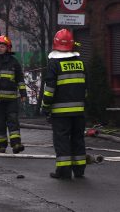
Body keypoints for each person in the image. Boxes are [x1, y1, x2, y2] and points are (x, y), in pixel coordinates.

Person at [41, 29, 87, 179]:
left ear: (56, 44)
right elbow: (86, 88)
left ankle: (64, 171)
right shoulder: (80, 63)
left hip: (60, 113)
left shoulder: (54, 64)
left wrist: (45, 107)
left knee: (62, 140)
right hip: (79, 111)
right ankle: (79, 170)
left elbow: (49, 90)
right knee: (78, 139)